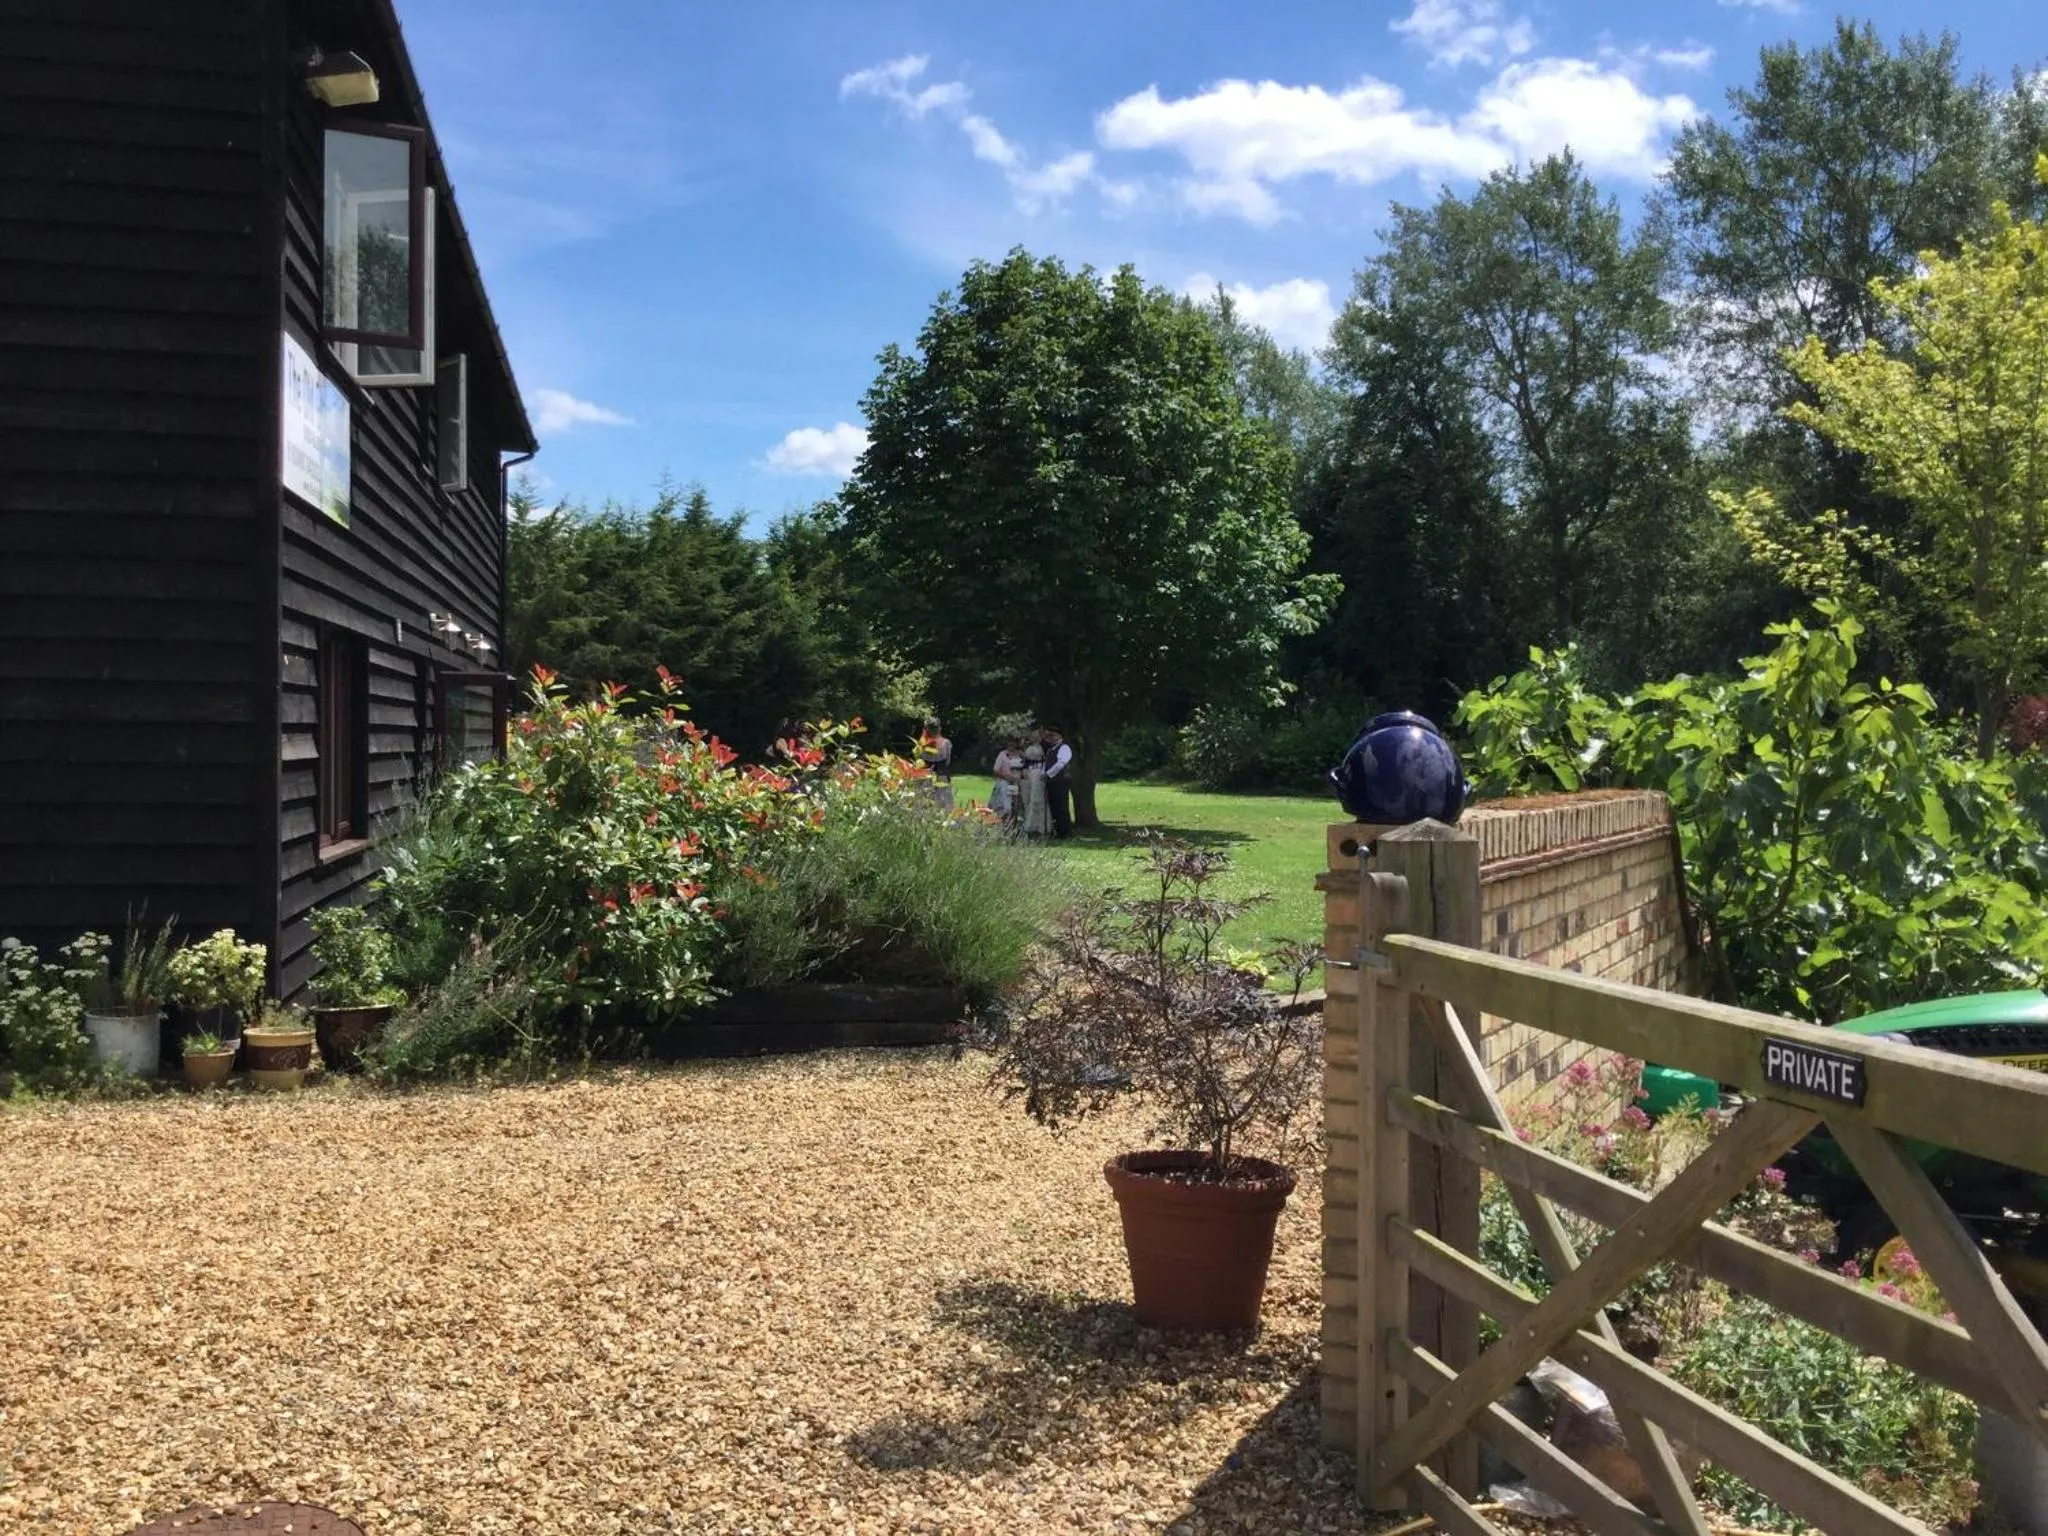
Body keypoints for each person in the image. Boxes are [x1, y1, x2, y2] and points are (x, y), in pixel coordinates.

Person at [1018, 732, 1052, 839]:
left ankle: (1041, 828)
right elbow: (1024, 761)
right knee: (1027, 800)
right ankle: (1028, 826)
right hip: (1028, 775)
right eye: (1032, 735)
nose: (1034, 737)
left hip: (1038, 773)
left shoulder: (1045, 747)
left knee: (1037, 799)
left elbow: (1047, 760)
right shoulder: (1026, 747)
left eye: (1036, 735)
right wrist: (1023, 769)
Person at [1041, 726, 1073, 839]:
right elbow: (1046, 763)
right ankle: (1058, 830)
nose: (1051, 738)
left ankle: (1065, 832)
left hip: (1060, 781)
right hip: (1051, 782)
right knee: (1054, 806)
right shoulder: (1051, 750)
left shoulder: (1064, 748)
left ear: (1060, 736)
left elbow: (1061, 763)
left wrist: (1048, 774)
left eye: (1053, 735)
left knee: (1061, 806)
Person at [989, 734, 1025, 825]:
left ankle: (1013, 826)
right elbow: (996, 770)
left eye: (1013, 743)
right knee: (1006, 806)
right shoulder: (1002, 754)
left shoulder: (1021, 754)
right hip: (1005, 782)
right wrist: (1006, 777)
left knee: (1016, 806)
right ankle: (1001, 823)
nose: (1011, 745)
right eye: (1009, 743)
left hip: (1017, 783)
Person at [919, 718, 954, 810]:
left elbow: (920, 760)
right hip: (942, 776)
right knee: (944, 804)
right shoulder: (946, 743)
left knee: (924, 803)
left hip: (925, 776)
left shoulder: (922, 744)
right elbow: (947, 761)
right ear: (939, 729)